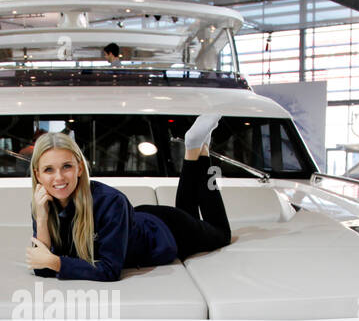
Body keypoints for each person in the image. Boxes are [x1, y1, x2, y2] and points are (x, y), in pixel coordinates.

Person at [26, 115, 231, 281]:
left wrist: (56, 262)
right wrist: (42, 218)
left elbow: (109, 270)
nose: (59, 177)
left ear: (80, 167)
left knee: (221, 233)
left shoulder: (109, 201)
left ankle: (199, 151)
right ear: (37, 174)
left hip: (169, 230)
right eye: (48, 170)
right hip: (132, 221)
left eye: (67, 166)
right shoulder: (42, 202)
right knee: (188, 211)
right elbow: (41, 268)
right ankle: (196, 148)